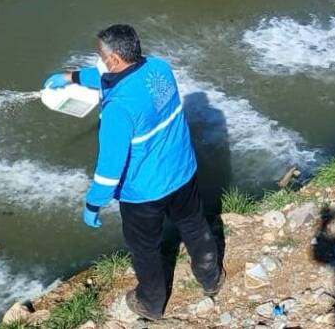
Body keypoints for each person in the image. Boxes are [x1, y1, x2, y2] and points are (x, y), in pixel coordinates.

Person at [44, 24, 223, 320]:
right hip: (182, 171)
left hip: (144, 193)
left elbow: (109, 170)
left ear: (113, 59)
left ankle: (150, 303)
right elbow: (107, 78)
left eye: (100, 56)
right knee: (194, 226)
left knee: (145, 250)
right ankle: (211, 279)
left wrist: (93, 204)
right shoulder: (158, 68)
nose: (99, 61)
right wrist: (69, 77)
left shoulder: (118, 109)